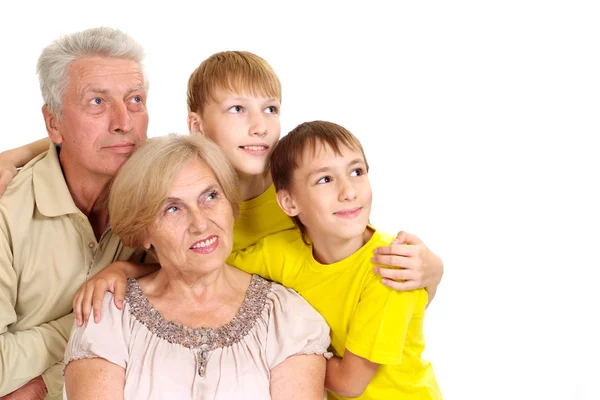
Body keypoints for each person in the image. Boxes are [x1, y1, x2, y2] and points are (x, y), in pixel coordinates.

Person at [69, 50, 444, 326]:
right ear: (196, 126)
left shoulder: (300, 185)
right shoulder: (179, 180)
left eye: (270, 109)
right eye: (237, 109)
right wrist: (124, 269)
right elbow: (118, 149)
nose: (259, 126)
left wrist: (433, 272)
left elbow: (359, 264)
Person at [64, 133, 331, 399]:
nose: (200, 224)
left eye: (211, 196)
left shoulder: (286, 318)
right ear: (142, 232)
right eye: (172, 209)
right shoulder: (109, 317)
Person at [228, 120, 442, 399]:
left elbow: (349, 383)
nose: (349, 191)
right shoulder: (280, 251)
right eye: (325, 179)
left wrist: (282, 351)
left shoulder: (391, 268)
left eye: (356, 171)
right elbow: (217, 272)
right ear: (290, 203)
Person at [0, 27, 149, 399]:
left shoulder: (167, 197)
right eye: (97, 102)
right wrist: (99, 317)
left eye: (135, 99)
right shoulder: (6, 211)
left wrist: (43, 384)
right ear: (53, 123)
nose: (124, 122)